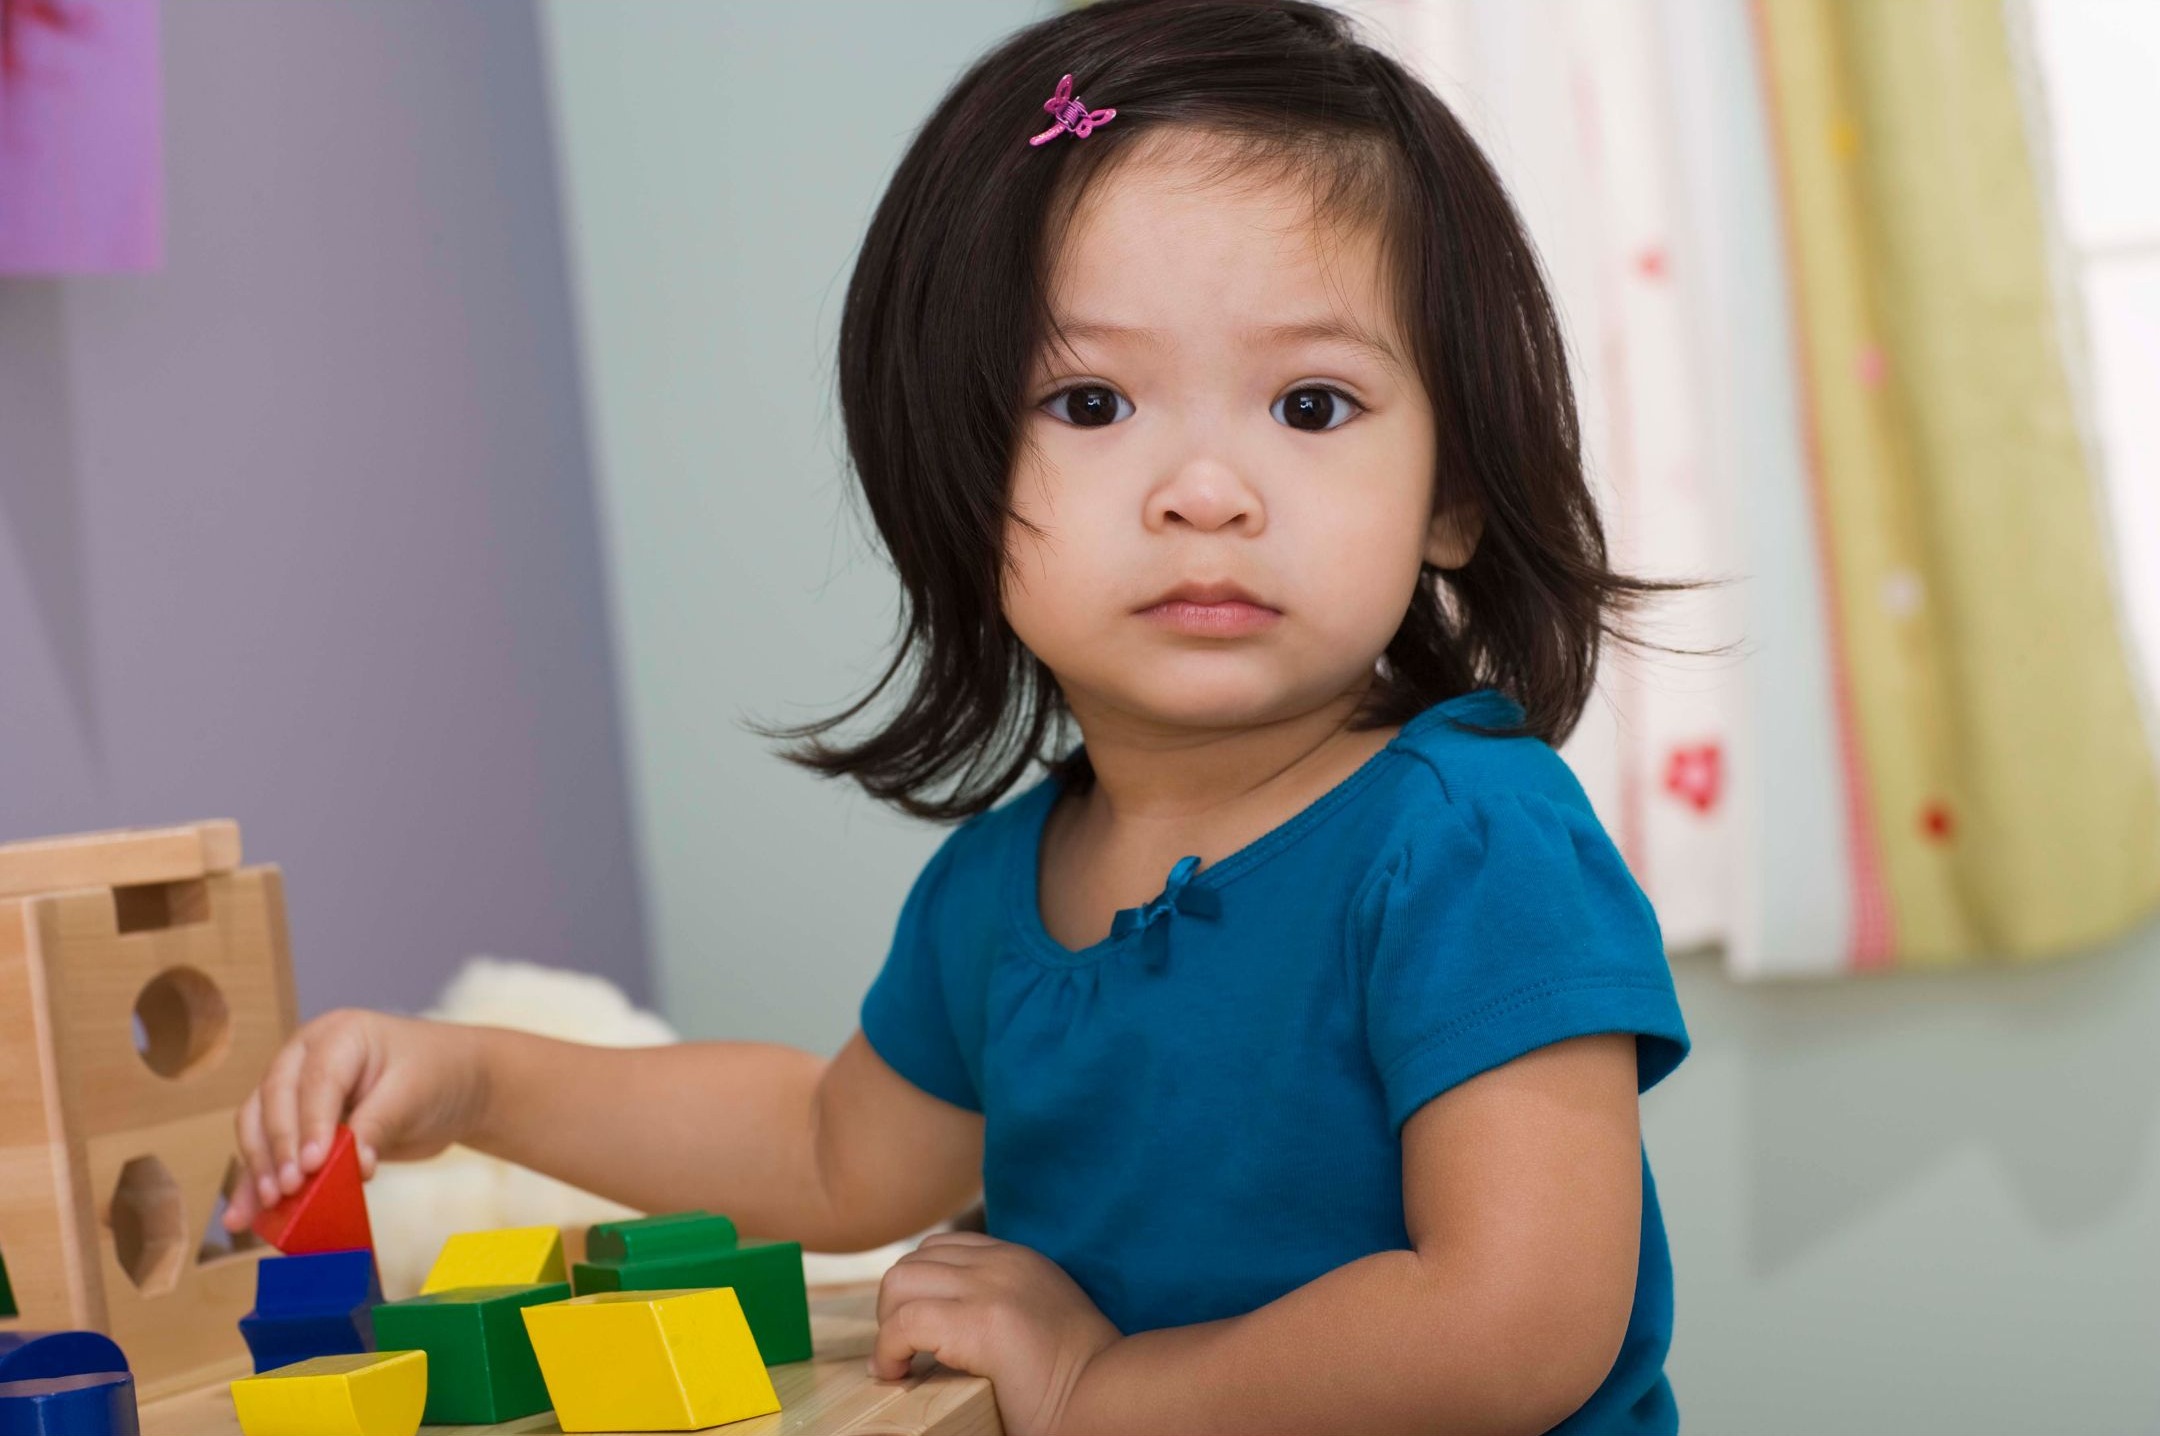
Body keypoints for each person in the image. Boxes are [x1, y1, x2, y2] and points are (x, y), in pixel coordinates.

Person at [224, 3, 1691, 1431]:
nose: (1204, 490)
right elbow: (828, 1152)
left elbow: (1516, 1329)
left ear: (1453, 494)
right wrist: (477, 1078)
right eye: (1092, 403)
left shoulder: (1470, 845)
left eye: (1310, 406)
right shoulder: (1001, 892)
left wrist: (1102, 1392)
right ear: (955, 477)